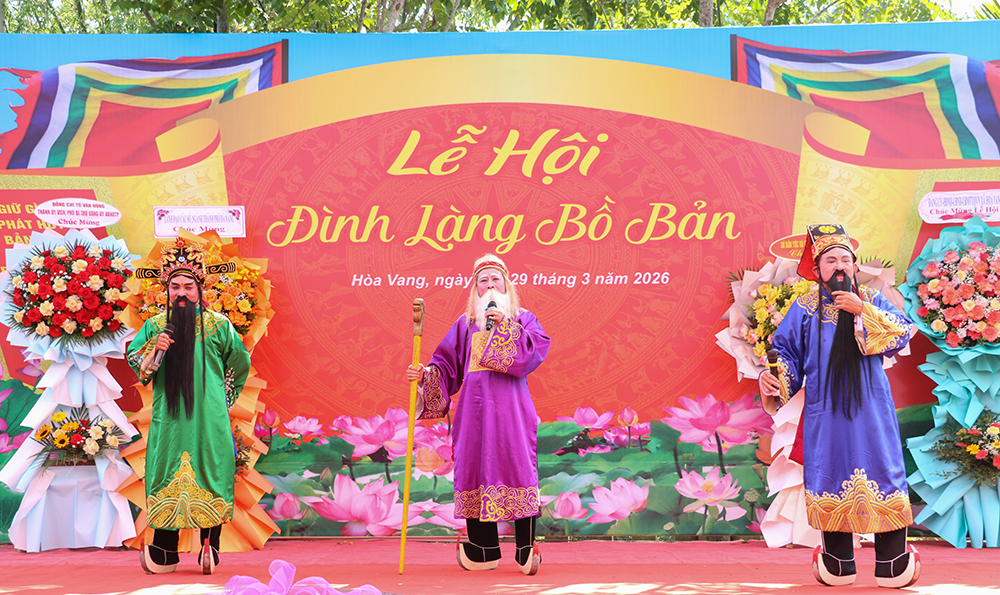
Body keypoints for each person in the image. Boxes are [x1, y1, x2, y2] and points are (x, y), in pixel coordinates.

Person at [759, 223, 919, 589]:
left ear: (855, 265)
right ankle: (838, 563)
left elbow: (902, 334)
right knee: (829, 472)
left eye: (846, 259)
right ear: (816, 269)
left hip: (872, 409)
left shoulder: (872, 299)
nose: (840, 266)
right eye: (830, 260)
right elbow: (785, 354)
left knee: (883, 471)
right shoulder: (804, 308)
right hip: (825, 411)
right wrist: (772, 378)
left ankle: (892, 563)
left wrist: (863, 310)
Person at [406, 254, 550, 574]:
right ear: (475, 289)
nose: (490, 285)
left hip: (512, 412)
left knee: (517, 468)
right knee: (474, 468)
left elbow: (532, 353)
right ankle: (484, 549)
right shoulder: (465, 324)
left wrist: (504, 328)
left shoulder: (523, 319)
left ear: (506, 285)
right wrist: (425, 377)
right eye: (483, 281)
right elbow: (446, 366)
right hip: (473, 413)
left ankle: (526, 548)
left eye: (495, 279)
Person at [127, 240, 251, 575]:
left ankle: (210, 544)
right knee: (167, 470)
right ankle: (165, 550)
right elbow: (137, 363)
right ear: (166, 291)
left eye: (188, 286)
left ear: (200, 289)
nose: (181, 293)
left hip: (209, 416)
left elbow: (239, 362)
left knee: (211, 468)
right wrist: (155, 349)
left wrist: (221, 400)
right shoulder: (155, 326)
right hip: (170, 417)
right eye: (175, 287)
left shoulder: (219, 325)